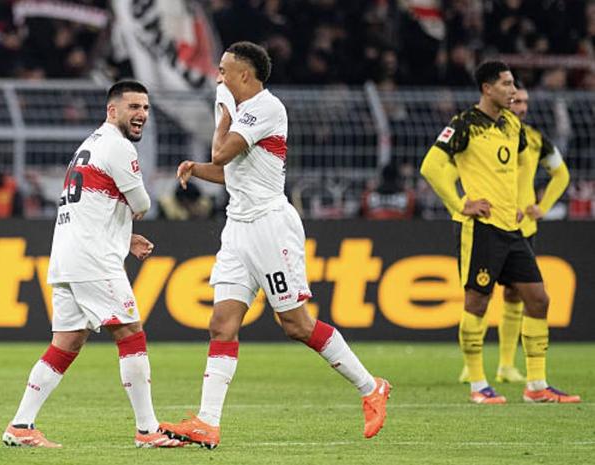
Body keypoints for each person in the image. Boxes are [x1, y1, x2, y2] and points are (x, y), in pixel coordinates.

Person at [159, 41, 390, 449]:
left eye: (224, 70)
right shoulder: (243, 111)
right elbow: (230, 172)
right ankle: (207, 422)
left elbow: (221, 152)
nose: (218, 76)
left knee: (295, 324)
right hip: (238, 227)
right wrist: (197, 170)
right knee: (222, 324)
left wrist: (223, 112)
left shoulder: (265, 108)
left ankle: (371, 388)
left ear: (244, 75)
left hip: (270, 227)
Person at [2, 81, 184, 448]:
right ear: (112, 110)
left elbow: (92, 205)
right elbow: (142, 203)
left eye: (146, 108)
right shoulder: (117, 146)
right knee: (130, 332)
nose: (142, 114)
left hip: (69, 255)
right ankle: (147, 430)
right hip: (93, 259)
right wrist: (128, 221)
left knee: (67, 341)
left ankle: (20, 426)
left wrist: (124, 236)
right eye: (134, 107)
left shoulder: (89, 145)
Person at [420, 61, 580, 404]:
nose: (513, 91)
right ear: (487, 88)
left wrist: (524, 204)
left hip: (513, 227)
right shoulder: (464, 124)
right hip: (482, 228)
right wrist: (460, 203)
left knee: (538, 299)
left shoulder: (512, 124)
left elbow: (515, 169)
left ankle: (536, 386)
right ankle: (478, 384)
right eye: (506, 84)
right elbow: (430, 166)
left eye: (513, 84)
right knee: (477, 302)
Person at [457, 84, 571, 384]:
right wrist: (462, 202)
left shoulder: (534, 139)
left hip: (523, 228)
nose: (521, 106)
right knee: (479, 294)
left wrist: (542, 206)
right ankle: (473, 366)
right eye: (516, 100)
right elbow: (459, 169)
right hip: (490, 223)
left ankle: (506, 365)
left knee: (516, 295)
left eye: (525, 102)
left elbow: (561, 174)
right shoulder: (481, 135)